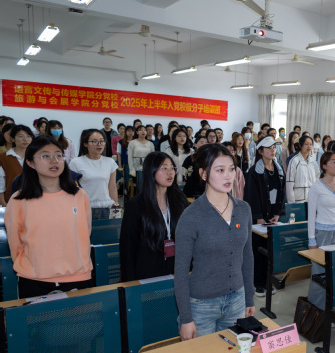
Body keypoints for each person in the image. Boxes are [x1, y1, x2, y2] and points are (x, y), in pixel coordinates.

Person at [175, 144, 255, 339]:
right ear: (203, 174)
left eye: (231, 169)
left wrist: (249, 298)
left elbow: (247, 256)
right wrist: (186, 318)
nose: (228, 176)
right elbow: (181, 272)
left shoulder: (243, 209)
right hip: (201, 305)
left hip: (237, 300)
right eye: (220, 170)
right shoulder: (191, 216)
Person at [5, 136, 93, 298]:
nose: (54, 160)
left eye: (58, 155)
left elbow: (85, 233)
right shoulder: (19, 200)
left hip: (78, 276)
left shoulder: (79, 195)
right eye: (45, 156)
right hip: (34, 279)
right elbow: (15, 243)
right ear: (30, 163)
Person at [120, 152, 189, 282]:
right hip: (147, 274)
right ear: (151, 171)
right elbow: (128, 249)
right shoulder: (135, 205)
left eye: (172, 168)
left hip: (176, 271)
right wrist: (130, 283)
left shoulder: (180, 201)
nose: (170, 172)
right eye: (164, 168)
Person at [307, 151, 335, 309]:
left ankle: (331, 308)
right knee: (319, 273)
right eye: (333, 162)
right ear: (324, 166)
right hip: (322, 233)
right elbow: (311, 215)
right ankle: (316, 310)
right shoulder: (316, 187)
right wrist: (312, 240)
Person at [244, 136, 285, 296]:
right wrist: (258, 216)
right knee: (257, 251)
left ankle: (267, 282)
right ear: (260, 151)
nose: (272, 150)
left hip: (272, 217)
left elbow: (281, 194)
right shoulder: (254, 172)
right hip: (259, 219)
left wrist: (277, 213)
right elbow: (250, 196)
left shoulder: (279, 170)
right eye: (268, 148)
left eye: (274, 147)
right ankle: (257, 283)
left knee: (270, 251)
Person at [69, 129, 119, 220]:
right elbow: (72, 188)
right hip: (84, 207)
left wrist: (116, 207)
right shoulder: (76, 162)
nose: (99, 144)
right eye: (94, 141)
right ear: (85, 144)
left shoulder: (110, 162)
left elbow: (112, 187)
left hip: (106, 207)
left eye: (101, 141)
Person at [0, 125, 34, 206]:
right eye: (21, 136)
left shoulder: (36, 157)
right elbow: (1, 183)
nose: (25, 139)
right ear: (12, 139)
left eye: (28, 136)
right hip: (11, 200)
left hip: (34, 199)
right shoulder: (3, 158)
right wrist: (3, 203)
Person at [286, 135, 319, 203]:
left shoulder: (313, 160)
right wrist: (291, 203)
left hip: (312, 198)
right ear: (300, 145)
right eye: (306, 144)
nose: (309, 146)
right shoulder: (294, 161)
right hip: (298, 199)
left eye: (311, 144)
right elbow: (289, 183)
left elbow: (317, 178)